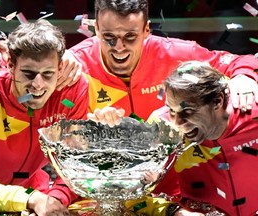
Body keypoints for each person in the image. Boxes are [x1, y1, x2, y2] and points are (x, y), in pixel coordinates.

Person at [70, 0, 258, 197]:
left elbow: (240, 61)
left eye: (130, 36)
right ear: (96, 29)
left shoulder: (177, 54)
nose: (119, 47)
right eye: (109, 36)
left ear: (146, 30)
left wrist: (244, 76)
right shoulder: (73, 66)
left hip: (181, 194)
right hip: (110, 190)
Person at [0, 19, 89, 215]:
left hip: (36, 199)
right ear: (10, 64)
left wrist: (55, 200)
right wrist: (28, 199)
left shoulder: (72, 90)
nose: (38, 85)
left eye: (48, 73)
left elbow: (75, 161)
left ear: (60, 68)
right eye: (28, 73)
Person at [147, 60, 258, 215]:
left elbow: (248, 59)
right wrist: (173, 211)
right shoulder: (162, 128)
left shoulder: (253, 113)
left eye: (188, 111)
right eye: (171, 109)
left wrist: (246, 73)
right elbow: (131, 195)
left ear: (218, 101)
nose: (177, 122)